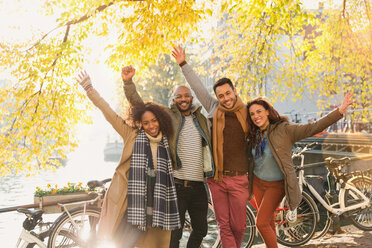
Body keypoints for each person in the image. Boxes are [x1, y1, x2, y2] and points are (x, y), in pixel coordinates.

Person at [76, 70, 181, 248]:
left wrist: (129, 83)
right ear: (141, 123)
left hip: (160, 206)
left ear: (160, 120)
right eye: (146, 123)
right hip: (132, 206)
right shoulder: (132, 135)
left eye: (154, 121)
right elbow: (108, 112)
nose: (151, 126)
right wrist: (89, 89)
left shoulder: (167, 139)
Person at [121, 65, 214, 248]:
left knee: (201, 229)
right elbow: (141, 106)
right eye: (179, 96)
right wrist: (128, 82)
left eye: (186, 95)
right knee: (174, 235)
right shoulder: (169, 117)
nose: (183, 99)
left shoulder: (202, 120)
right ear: (174, 100)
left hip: (199, 186)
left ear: (192, 98)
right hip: (177, 185)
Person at [246, 93, 354, 248]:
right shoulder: (252, 134)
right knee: (268, 222)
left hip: (276, 184)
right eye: (252, 114)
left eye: (259, 112)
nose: (256, 116)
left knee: (261, 223)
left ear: (267, 111)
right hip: (258, 183)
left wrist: (339, 112)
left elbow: (313, 127)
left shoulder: (284, 130)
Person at [172, 45, 252, 248]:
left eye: (228, 93)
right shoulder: (213, 108)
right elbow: (197, 87)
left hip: (240, 178)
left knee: (239, 225)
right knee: (223, 225)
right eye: (221, 95)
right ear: (216, 97)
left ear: (234, 91)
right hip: (216, 178)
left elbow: (266, 124)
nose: (225, 98)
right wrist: (183, 63)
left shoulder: (247, 112)